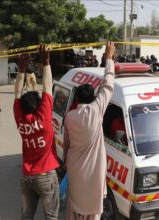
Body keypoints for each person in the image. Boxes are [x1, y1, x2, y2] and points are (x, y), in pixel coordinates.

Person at [63, 42, 115, 220]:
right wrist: (109, 58)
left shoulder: (69, 117)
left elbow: (66, 144)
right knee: (93, 211)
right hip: (94, 172)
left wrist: (65, 163)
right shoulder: (96, 110)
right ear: (93, 98)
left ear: (76, 99)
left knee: (74, 207)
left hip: (75, 169)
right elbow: (108, 85)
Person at [13, 45, 60, 219]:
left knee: (26, 216)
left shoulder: (21, 120)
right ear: (39, 107)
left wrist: (21, 70)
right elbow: (48, 87)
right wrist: (46, 62)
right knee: (51, 216)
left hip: (27, 177)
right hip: (45, 176)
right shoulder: (44, 119)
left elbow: (17, 93)